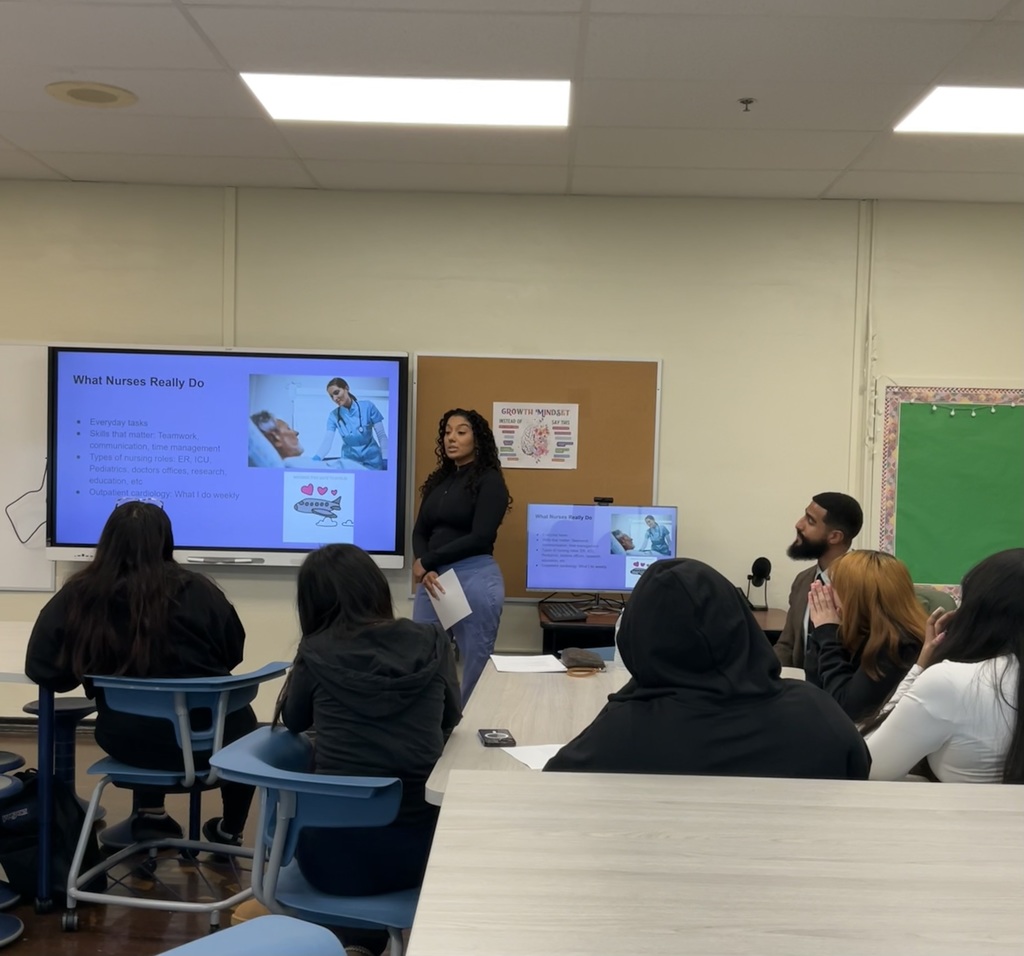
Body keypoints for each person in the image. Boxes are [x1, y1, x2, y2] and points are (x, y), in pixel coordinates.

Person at [24, 501, 255, 846]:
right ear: (166, 541)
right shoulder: (200, 591)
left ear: (108, 542)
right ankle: (229, 832)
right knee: (239, 722)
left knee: (150, 710)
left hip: (129, 741)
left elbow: (43, 669)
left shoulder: (80, 595)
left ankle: (151, 815)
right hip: (215, 743)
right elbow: (232, 653)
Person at [276, 544, 461, 956]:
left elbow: (293, 720)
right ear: (376, 588)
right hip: (421, 854)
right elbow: (452, 716)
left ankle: (356, 942)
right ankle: (368, 942)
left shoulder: (316, 651)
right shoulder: (432, 640)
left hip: (331, 861)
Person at [544, 558, 870, 780]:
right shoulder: (817, 713)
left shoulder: (619, 733)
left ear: (637, 636)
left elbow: (554, 785)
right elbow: (858, 773)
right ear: (741, 621)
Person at [867, 549, 1023, 783]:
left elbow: (869, 767)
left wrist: (921, 667)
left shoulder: (951, 682)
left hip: (962, 818)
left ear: (978, 611)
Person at [412, 408, 511, 701]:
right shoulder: (439, 482)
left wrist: (428, 561)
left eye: (461, 432)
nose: (451, 438)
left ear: (477, 439)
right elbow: (420, 531)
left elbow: (481, 536)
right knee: (423, 656)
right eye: (447, 432)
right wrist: (426, 566)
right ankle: (429, 728)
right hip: (434, 580)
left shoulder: (490, 481)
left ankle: (467, 731)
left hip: (473, 577)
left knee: (475, 663)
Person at [805, 549, 926, 722]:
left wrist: (827, 633)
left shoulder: (900, 645)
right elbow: (815, 694)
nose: (829, 593)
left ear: (857, 597)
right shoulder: (864, 632)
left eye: (836, 587)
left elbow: (846, 711)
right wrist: (819, 633)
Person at [774, 492, 863, 670]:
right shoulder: (803, 580)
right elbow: (787, 646)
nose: (799, 524)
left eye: (810, 521)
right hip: (801, 691)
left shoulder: (863, 583)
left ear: (835, 537)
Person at [311, 377, 387, 470]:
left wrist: (386, 458)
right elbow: (327, 441)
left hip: (373, 462)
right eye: (331, 396)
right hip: (350, 464)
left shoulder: (368, 406)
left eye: (336, 392)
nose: (335, 398)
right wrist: (317, 458)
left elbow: (381, 435)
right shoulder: (333, 416)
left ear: (346, 388)